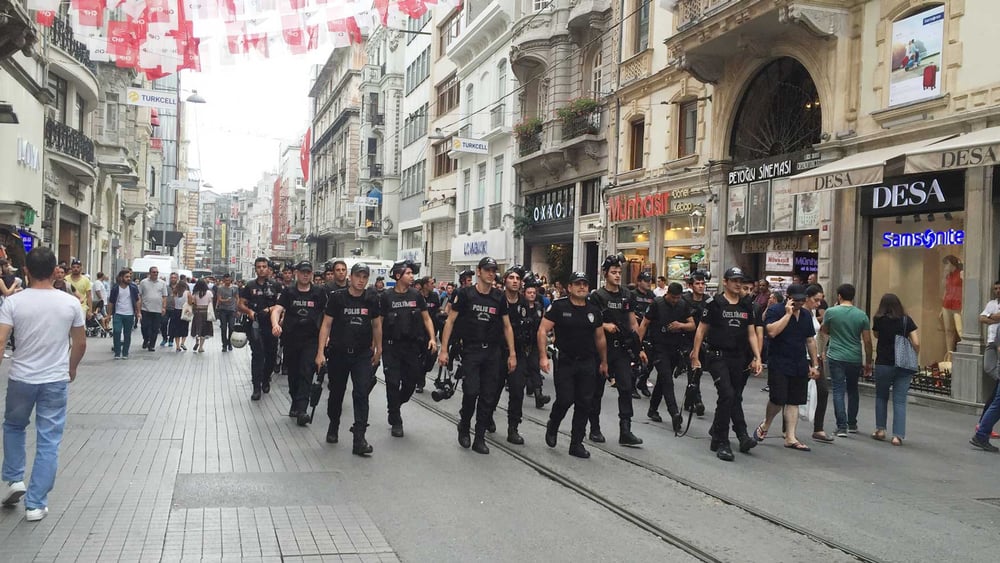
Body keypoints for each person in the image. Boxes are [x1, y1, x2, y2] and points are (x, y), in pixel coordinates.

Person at [0, 247, 86, 522]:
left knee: (13, 426)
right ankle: (35, 504)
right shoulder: (70, 303)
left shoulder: (13, 303)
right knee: (49, 440)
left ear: (25, 271)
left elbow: (1, 341)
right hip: (55, 380)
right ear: (54, 271)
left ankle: (15, 479)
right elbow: (81, 342)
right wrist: (71, 367)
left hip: (21, 378)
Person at [439, 257, 515, 454]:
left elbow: (507, 326)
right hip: (471, 351)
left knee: (488, 396)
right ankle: (464, 425)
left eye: (494, 271)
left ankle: (479, 437)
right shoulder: (465, 294)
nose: (491, 274)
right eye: (488, 270)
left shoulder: (499, 297)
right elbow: (450, 321)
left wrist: (512, 354)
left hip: (492, 352)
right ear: (479, 272)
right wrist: (444, 350)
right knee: (471, 392)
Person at [691, 267, 762, 461]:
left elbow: (751, 333)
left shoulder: (747, 305)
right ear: (725, 282)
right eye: (734, 280)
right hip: (717, 356)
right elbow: (701, 330)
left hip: (739, 357)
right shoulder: (714, 304)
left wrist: (757, 357)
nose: (738, 284)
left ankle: (720, 433)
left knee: (733, 397)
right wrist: (695, 355)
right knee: (727, 394)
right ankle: (724, 440)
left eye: (740, 280)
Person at [539, 271, 608, 458]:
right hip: (566, 361)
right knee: (565, 399)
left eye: (585, 284)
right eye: (578, 284)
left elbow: (600, 338)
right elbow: (543, 330)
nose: (582, 287)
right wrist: (543, 356)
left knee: (585, 402)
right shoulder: (559, 306)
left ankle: (576, 443)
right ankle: (553, 425)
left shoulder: (593, 310)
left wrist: (604, 362)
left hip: (588, 362)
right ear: (569, 287)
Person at [319, 263, 381, 454]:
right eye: (358, 276)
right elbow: (326, 325)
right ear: (350, 278)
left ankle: (359, 438)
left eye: (364, 277)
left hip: (362, 354)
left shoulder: (371, 298)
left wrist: (379, 349)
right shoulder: (337, 298)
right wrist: (320, 351)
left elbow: (377, 325)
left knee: (361, 393)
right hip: (339, 353)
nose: (361, 280)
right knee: (336, 393)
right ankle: (334, 424)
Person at [754, 283, 820, 452]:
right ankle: (766, 424)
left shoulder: (805, 314)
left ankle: (790, 436)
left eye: (802, 300)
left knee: (794, 400)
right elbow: (772, 332)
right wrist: (788, 315)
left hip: (799, 362)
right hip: (780, 361)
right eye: (797, 300)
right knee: (778, 399)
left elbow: (810, 340)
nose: (800, 303)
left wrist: (814, 364)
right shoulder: (775, 310)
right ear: (789, 299)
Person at [588, 255, 643, 447]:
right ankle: (594, 428)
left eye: (619, 272)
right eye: (613, 272)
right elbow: (589, 320)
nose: (618, 275)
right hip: (601, 348)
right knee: (597, 390)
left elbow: (632, 320)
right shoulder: (597, 296)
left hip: (621, 350)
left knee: (626, 387)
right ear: (605, 274)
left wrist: (639, 347)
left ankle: (625, 431)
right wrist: (605, 325)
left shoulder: (627, 295)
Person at [381, 260, 437, 437]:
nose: (412, 276)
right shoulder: (386, 296)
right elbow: (378, 323)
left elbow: (427, 318)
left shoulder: (416, 295)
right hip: (391, 347)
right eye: (408, 273)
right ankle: (396, 419)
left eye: (412, 273)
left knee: (410, 382)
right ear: (398, 276)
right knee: (392, 382)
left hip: (411, 347)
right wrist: (375, 346)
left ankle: (395, 404)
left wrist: (433, 339)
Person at [272, 261, 327, 422]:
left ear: (311, 274)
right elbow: (277, 309)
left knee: (306, 371)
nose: (305, 275)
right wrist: (275, 324)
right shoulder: (289, 292)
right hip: (291, 338)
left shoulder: (319, 292)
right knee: (293, 374)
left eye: (308, 272)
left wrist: (327, 335)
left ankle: (303, 408)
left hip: (311, 339)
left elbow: (327, 315)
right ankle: (295, 401)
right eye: (302, 272)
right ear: (297, 273)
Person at [820, 283, 873, 437]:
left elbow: (825, 330)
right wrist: (868, 361)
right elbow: (868, 341)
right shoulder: (862, 315)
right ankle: (852, 423)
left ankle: (841, 426)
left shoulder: (831, 312)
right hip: (854, 356)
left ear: (839, 296)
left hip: (836, 354)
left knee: (838, 389)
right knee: (853, 389)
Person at [639, 282, 693, 433]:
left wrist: (680, 326)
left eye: (678, 297)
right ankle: (674, 413)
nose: (675, 300)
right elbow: (644, 324)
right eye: (673, 297)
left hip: (675, 349)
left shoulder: (682, 305)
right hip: (658, 348)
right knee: (667, 380)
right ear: (667, 293)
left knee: (663, 380)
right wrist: (638, 346)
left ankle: (652, 409)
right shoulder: (657, 304)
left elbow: (693, 325)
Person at [871, 293, 919, 446]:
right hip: (903, 365)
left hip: (884, 362)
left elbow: (876, 335)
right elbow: (916, 342)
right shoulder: (906, 320)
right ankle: (897, 436)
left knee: (881, 396)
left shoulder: (878, 319)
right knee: (899, 400)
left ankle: (880, 430)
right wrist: (912, 353)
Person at [492, 266, 531, 444]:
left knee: (517, 390)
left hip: (519, 352)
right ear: (505, 281)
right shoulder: (497, 300)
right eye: (512, 277)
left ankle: (513, 427)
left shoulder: (525, 302)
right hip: (498, 351)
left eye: (518, 278)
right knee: (493, 388)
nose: (515, 281)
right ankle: (486, 416)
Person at [239, 258, 281, 401]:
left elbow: (281, 306)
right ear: (255, 269)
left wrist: (270, 310)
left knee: (271, 355)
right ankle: (256, 386)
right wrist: (249, 311)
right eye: (259, 267)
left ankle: (266, 378)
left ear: (269, 268)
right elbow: (241, 304)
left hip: (272, 325)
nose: (262, 269)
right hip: (255, 325)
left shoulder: (276, 286)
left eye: (264, 266)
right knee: (257, 355)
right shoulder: (249, 286)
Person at [804, 284, 834, 443]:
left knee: (823, 390)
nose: (818, 304)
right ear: (807, 297)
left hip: (815, 355)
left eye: (820, 301)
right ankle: (787, 428)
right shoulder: (800, 311)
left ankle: (818, 428)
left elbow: (817, 334)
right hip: (802, 356)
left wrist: (820, 352)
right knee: (794, 391)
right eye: (816, 300)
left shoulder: (812, 311)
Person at [520, 273, 551, 408]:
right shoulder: (520, 306)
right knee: (522, 369)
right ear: (524, 293)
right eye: (529, 292)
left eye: (533, 292)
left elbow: (544, 324)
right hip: (521, 342)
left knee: (534, 367)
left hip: (534, 341)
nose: (532, 294)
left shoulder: (539, 307)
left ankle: (539, 395)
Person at [977, 281, 1000, 440]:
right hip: (993, 342)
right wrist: (995, 318)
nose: (997, 291)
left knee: (996, 399)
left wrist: (992, 317)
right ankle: (982, 431)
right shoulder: (992, 303)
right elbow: (981, 318)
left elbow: (988, 318)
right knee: (988, 368)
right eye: (995, 289)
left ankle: (983, 430)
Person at [632, 271, 656, 398]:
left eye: (649, 281)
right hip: (636, 328)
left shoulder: (652, 295)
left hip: (649, 330)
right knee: (635, 360)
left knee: (650, 360)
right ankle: (631, 387)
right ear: (639, 282)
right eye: (646, 281)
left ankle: (642, 382)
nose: (648, 283)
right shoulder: (633, 295)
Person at [108, 269, 139, 360]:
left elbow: (137, 300)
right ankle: (117, 352)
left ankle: (125, 352)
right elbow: (111, 302)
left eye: (130, 277)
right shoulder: (115, 288)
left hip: (129, 314)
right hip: (118, 314)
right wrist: (109, 314)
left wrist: (138, 312)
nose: (129, 278)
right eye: (126, 277)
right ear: (121, 278)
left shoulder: (133, 288)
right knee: (117, 332)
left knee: (127, 334)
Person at [137, 266, 167, 352]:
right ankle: (146, 339)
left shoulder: (162, 283)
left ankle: (152, 345)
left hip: (157, 309)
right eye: (154, 272)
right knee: (144, 326)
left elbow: (164, 296)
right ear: (149, 273)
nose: (155, 274)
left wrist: (164, 308)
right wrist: (138, 310)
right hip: (145, 309)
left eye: (157, 272)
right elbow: (140, 296)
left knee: (155, 328)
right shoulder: (143, 282)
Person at [189, 279, 214, 353]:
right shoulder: (209, 293)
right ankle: (201, 347)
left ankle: (197, 340)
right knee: (204, 330)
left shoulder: (195, 293)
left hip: (197, 312)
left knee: (197, 327)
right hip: (205, 312)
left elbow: (193, 302)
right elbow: (210, 302)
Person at [215, 274, 238, 351]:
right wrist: (225, 301)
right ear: (223, 280)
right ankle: (224, 345)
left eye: (228, 280)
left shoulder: (235, 288)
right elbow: (219, 299)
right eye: (226, 280)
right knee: (223, 328)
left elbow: (237, 298)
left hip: (232, 310)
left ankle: (230, 343)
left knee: (231, 327)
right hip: (223, 310)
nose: (227, 282)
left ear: (231, 279)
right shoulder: (220, 288)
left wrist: (237, 309)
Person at [169, 280, 191, 352]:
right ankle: (183, 343)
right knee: (184, 328)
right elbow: (190, 302)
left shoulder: (175, 293)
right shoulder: (187, 293)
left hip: (176, 312)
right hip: (185, 311)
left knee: (176, 329)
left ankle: (177, 346)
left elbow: (172, 302)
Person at [160, 272, 179, 347]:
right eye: (172, 277)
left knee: (173, 325)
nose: (173, 279)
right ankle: (164, 338)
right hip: (166, 308)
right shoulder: (166, 287)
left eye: (174, 277)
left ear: (177, 279)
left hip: (175, 308)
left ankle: (171, 339)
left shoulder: (179, 288)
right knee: (163, 323)